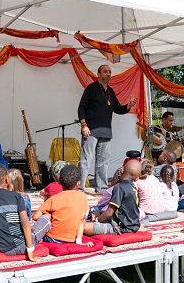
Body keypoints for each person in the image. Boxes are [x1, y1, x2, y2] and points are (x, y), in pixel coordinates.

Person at [78, 64, 137, 194]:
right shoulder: (91, 89)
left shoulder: (110, 91)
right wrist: (84, 125)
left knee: (103, 162)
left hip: (106, 131)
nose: (108, 74)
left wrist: (129, 105)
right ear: (98, 74)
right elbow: (81, 107)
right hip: (91, 130)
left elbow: (118, 109)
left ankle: (101, 188)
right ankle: (80, 189)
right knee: (85, 160)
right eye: (105, 72)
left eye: (109, 72)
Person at [33, 165, 92, 245]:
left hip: (52, 238)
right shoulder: (83, 196)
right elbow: (82, 219)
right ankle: (78, 240)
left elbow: (35, 217)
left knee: (47, 214)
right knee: (82, 216)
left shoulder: (54, 198)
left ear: (59, 182)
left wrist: (49, 215)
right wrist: (79, 241)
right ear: (78, 183)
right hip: (71, 239)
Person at [84, 160, 145, 235]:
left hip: (120, 228)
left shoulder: (118, 188)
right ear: (137, 178)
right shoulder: (134, 188)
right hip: (133, 225)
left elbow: (109, 213)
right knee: (100, 212)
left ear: (122, 170)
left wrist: (96, 220)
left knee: (83, 227)